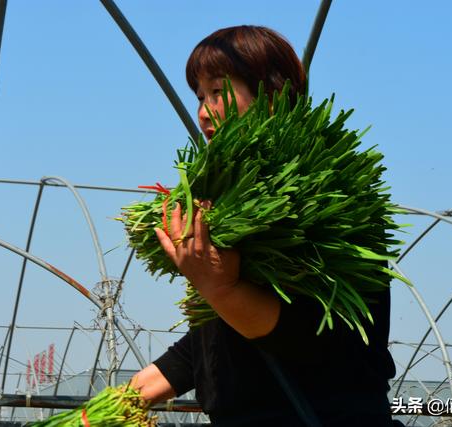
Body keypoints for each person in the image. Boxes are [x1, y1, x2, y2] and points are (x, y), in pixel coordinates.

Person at [130, 25, 397, 427]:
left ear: (274, 96)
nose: (203, 110)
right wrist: (126, 399)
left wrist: (221, 287)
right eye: (200, 96)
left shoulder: (324, 195)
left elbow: (310, 335)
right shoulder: (227, 201)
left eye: (218, 92)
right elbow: (223, 337)